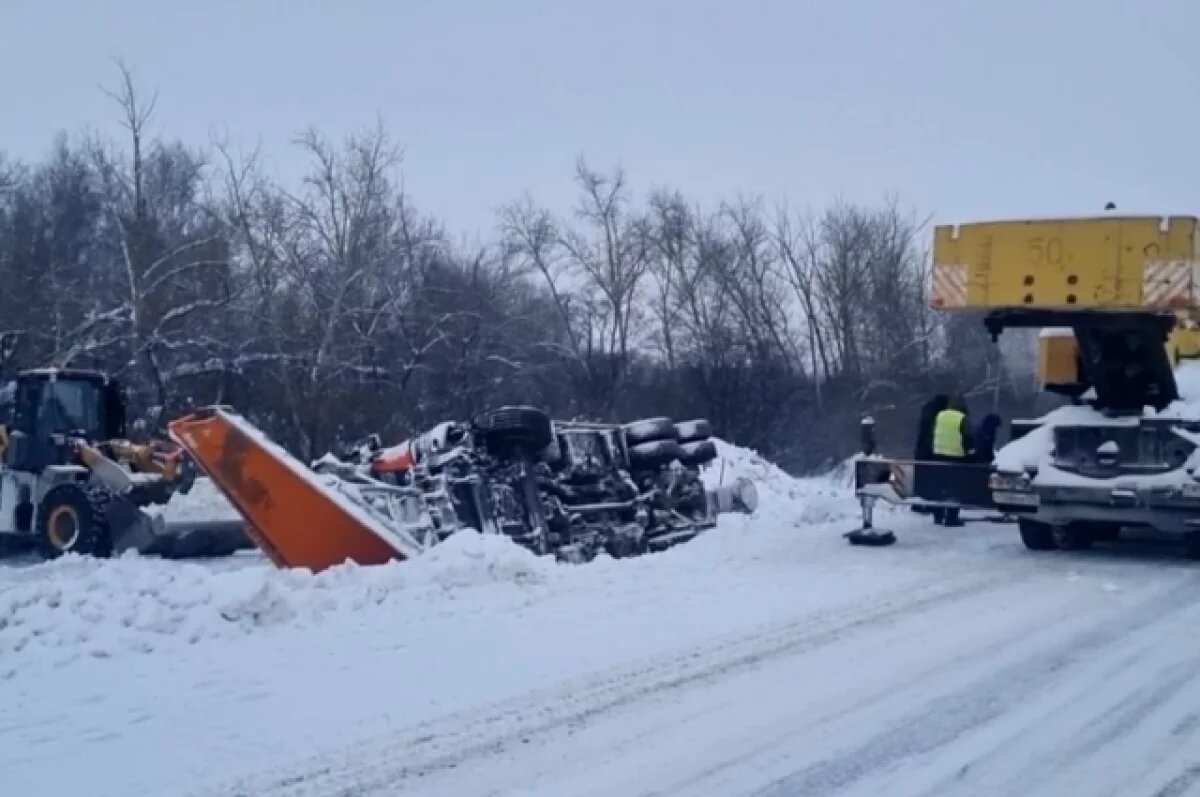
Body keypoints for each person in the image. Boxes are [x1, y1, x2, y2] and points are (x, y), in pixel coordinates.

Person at [930, 393, 973, 526]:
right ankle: (951, 518)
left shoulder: (940, 415)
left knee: (939, 487)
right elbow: (967, 437)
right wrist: (971, 452)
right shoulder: (962, 418)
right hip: (956, 457)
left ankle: (938, 516)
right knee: (956, 489)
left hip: (938, 455)